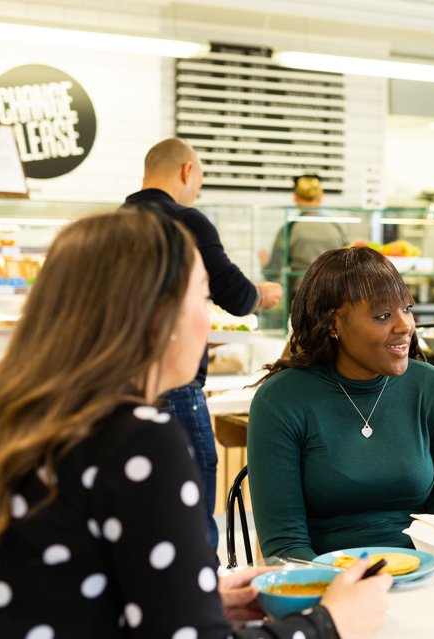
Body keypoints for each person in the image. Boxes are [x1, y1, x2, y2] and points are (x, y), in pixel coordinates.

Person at [0, 209, 390, 639]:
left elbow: (63, 590)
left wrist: (192, 595)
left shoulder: (33, 418)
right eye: (203, 299)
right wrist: (330, 624)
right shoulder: (138, 439)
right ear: (157, 318)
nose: (210, 323)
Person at [247, 246, 434, 560]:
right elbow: (285, 547)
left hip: (424, 576)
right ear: (332, 324)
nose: (405, 325)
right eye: (383, 315)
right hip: (324, 583)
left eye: (406, 308)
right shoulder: (281, 401)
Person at [125, 137, 283, 553]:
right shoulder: (186, 220)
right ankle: (199, 598)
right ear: (186, 171)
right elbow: (236, 295)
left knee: (143, 512)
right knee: (192, 517)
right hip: (177, 387)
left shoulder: (117, 223)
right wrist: (261, 295)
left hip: (125, 385)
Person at [261, 174, 349, 302]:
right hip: (334, 295)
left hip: (301, 297)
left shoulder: (290, 228)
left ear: (295, 198)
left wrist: (264, 262)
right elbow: (348, 262)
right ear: (320, 197)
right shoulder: (336, 227)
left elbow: (272, 273)